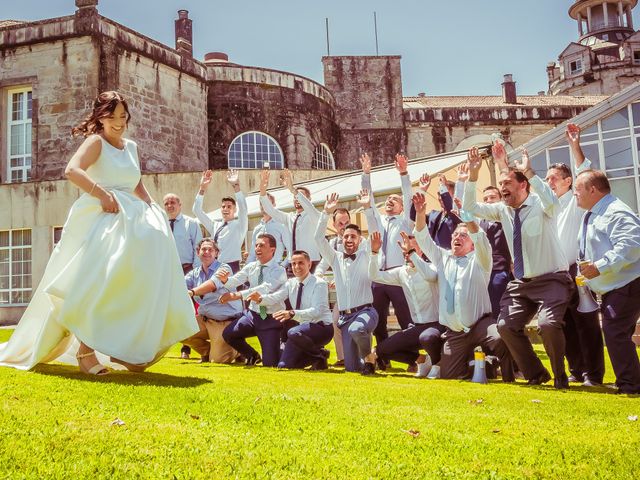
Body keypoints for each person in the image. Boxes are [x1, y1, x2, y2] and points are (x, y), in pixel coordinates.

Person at [0, 91, 198, 375]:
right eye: (112, 116)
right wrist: (102, 194)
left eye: (122, 116)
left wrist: (153, 207)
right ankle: (85, 351)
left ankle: (127, 348)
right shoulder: (96, 142)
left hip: (130, 218)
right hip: (100, 216)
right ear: (100, 118)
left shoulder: (131, 147)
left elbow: (135, 183)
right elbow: (72, 170)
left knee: (134, 278)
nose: (119, 122)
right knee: (97, 281)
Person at [463, 142, 572, 389]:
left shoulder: (542, 205)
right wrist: (472, 175)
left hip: (553, 278)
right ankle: (536, 373)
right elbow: (469, 209)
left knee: (547, 325)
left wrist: (530, 172)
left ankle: (560, 375)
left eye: (507, 184)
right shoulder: (502, 210)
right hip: (522, 283)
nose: (502, 189)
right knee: (505, 326)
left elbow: (553, 202)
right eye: (500, 185)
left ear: (523, 185)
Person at [412, 192, 514, 381]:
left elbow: (480, 238)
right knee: (449, 376)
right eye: (455, 235)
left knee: (499, 338)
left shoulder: (481, 260)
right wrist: (420, 213)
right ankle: (479, 364)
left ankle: (509, 375)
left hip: (481, 325)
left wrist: (467, 218)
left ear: (472, 244)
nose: (457, 237)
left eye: (463, 235)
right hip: (455, 333)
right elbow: (422, 238)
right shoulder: (443, 258)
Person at [545, 123, 604, 386]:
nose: (550, 183)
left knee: (586, 324)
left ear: (568, 182)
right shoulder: (549, 207)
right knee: (564, 324)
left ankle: (593, 374)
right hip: (555, 274)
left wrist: (574, 146)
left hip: (576, 271)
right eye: (547, 180)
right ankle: (576, 370)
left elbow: (585, 171)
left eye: (554, 179)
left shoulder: (576, 201)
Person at [574, 169, 640, 394]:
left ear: (593, 189)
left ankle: (630, 385)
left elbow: (632, 246)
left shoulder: (616, 212)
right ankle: (629, 382)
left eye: (578, 189)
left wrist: (599, 266)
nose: (575, 194)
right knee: (616, 332)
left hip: (628, 283)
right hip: (615, 285)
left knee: (614, 331)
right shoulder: (593, 213)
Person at [315, 191, 379, 374]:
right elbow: (318, 239)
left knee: (358, 329)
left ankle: (370, 358)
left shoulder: (366, 254)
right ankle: (366, 357)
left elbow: (375, 234)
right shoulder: (334, 258)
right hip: (344, 317)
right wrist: (325, 213)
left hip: (366, 312)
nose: (349, 239)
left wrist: (367, 208)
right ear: (341, 239)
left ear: (360, 239)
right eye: (346, 236)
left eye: (354, 236)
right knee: (352, 369)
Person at [367, 231, 444, 376]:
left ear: (421, 251)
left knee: (426, 337)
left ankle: (437, 364)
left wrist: (412, 252)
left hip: (437, 326)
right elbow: (374, 275)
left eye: (412, 249)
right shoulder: (401, 272)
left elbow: (430, 276)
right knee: (384, 349)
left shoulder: (432, 268)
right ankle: (421, 359)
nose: (407, 252)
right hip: (416, 328)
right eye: (405, 249)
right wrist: (374, 252)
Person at [360, 153, 413, 355]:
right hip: (377, 277)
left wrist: (404, 174)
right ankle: (382, 357)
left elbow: (408, 196)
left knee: (405, 319)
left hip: (398, 276)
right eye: (388, 199)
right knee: (379, 322)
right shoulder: (377, 221)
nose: (390, 201)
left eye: (395, 200)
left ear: (401, 208)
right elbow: (369, 199)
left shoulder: (406, 222)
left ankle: (412, 356)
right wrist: (366, 173)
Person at [213, 234, 287, 367]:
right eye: (256, 245)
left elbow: (265, 288)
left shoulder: (279, 270)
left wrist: (237, 295)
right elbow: (234, 281)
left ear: (272, 249)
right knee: (229, 334)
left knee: (271, 363)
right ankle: (252, 355)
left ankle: (287, 348)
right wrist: (225, 280)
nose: (257, 248)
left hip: (270, 319)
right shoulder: (251, 266)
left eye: (262, 245)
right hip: (253, 315)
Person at [253, 250, 333, 370]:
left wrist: (292, 313)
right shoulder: (290, 283)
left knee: (292, 332)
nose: (296, 267)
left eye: (300, 263)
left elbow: (317, 311)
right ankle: (319, 357)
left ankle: (319, 354)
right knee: (283, 366)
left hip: (322, 328)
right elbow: (276, 296)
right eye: (293, 264)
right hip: (301, 332)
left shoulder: (319, 283)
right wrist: (260, 299)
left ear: (309, 264)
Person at [456, 162, 512, 318]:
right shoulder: (480, 221)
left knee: (498, 309)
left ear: (501, 199)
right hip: (480, 271)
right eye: (485, 198)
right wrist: (462, 181)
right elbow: (464, 208)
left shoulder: (506, 216)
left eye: (492, 197)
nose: (488, 201)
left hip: (499, 271)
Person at [182, 238, 242, 364]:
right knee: (179, 330)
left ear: (216, 253)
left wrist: (192, 292)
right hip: (205, 320)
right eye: (203, 249)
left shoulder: (225, 268)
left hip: (224, 322)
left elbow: (212, 285)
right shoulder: (194, 273)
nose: (207, 252)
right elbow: (179, 285)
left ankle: (238, 349)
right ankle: (207, 352)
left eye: (211, 249)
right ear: (198, 252)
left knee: (218, 360)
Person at [259, 169, 321, 271]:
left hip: (311, 262)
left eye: (300, 196)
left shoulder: (314, 216)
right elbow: (270, 210)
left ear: (309, 199)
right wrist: (262, 190)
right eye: (294, 197)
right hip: (294, 263)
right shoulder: (289, 217)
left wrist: (293, 189)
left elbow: (309, 207)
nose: (297, 199)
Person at [315, 206, 352, 367]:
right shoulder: (332, 243)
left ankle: (368, 357)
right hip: (341, 294)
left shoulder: (359, 240)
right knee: (336, 322)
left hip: (359, 293)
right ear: (335, 225)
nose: (344, 226)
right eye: (340, 223)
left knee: (357, 326)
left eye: (347, 222)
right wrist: (317, 277)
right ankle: (342, 358)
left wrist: (342, 278)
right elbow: (324, 264)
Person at [192, 169, 248, 273]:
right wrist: (202, 188)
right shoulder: (215, 225)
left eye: (229, 206)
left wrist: (236, 186)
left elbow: (244, 209)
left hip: (231, 266)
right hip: (214, 266)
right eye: (223, 207)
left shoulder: (239, 225)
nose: (225, 209)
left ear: (235, 209)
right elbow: (197, 210)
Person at [163, 193, 202, 274]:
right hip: (168, 271)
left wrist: (196, 271)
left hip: (187, 270)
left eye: (172, 202)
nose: (169, 205)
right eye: (166, 204)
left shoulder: (191, 223)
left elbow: (198, 247)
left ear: (180, 205)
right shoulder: (162, 224)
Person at [247, 192, 289, 266]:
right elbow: (252, 254)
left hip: (275, 268)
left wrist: (282, 266)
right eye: (261, 203)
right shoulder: (257, 229)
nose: (264, 206)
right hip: (258, 268)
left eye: (267, 203)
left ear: (274, 205)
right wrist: (247, 270)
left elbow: (290, 250)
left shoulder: (281, 225)